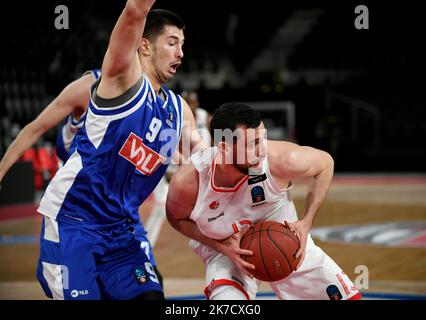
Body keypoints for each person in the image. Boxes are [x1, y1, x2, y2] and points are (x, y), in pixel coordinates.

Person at [35, 0, 204, 300]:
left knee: (151, 297)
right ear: (145, 46)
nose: (180, 52)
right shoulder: (119, 80)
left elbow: (207, 162)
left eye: (183, 44)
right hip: (74, 224)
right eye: (172, 42)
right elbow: (135, 10)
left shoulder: (178, 111)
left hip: (121, 233)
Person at [166, 102, 362, 300]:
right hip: (225, 251)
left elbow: (326, 163)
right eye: (253, 144)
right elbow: (176, 218)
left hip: (288, 245)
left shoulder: (282, 159)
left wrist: (306, 221)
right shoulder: (189, 182)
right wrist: (220, 246)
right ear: (224, 148)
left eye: (263, 139)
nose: (262, 150)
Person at [0, 69, 165, 288]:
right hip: (79, 205)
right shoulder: (88, 85)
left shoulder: (151, 99)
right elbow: (34, 128)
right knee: (87, 286)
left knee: (150, 283)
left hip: (118, 210)